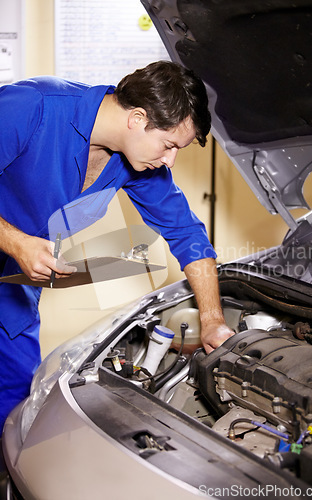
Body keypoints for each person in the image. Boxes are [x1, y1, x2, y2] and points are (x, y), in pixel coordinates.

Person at [0, 60, 234, 432]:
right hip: (15, 258)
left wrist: (213, 322)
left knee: (15, 408)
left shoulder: (136, 162)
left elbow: (187, 234)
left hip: (12, 293)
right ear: (138, 118)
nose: (169, 160)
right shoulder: (31, 106)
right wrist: (15, 241)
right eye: (169, 144)